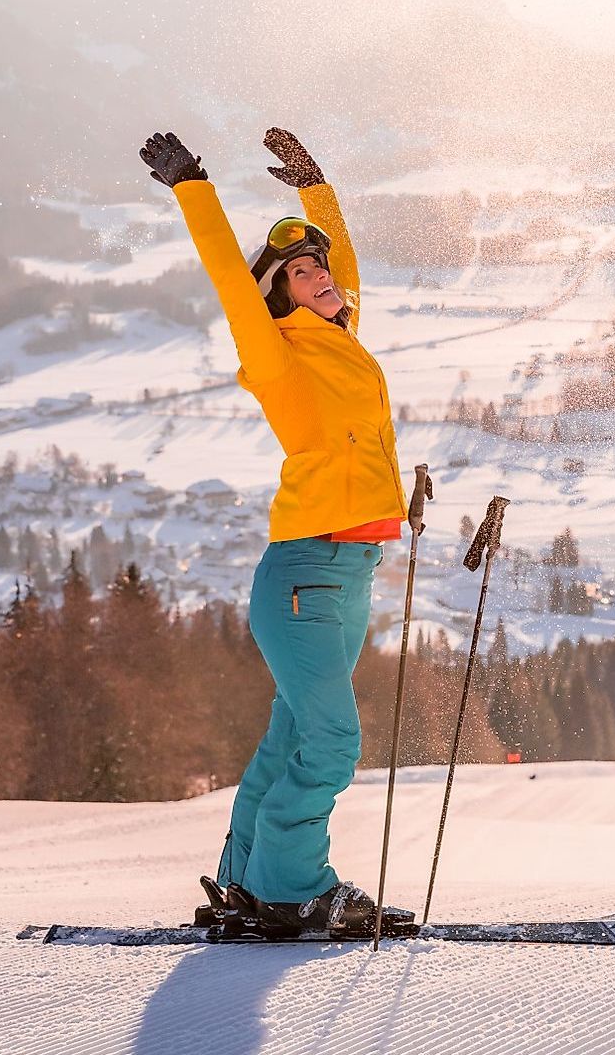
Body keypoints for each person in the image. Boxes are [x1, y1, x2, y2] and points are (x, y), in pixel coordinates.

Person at [139, 126, 407, 935]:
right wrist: (194, 186)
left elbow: (341, 276)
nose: (321, 277)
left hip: (348, 572)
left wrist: (315, 194)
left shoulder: (339, 342)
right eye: (300, 272)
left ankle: (246, 886)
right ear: (279, 297)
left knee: (293, 734)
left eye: (320, 265)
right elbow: (231, 281)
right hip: (305, 575)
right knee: (330, 742)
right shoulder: (278, 352)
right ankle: (293, 889)